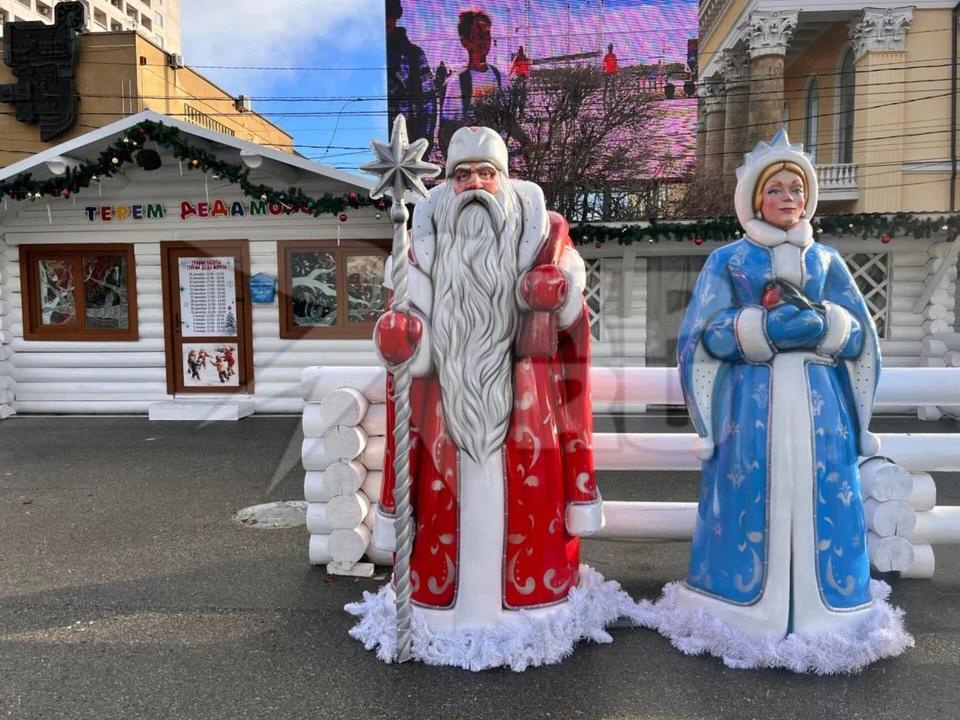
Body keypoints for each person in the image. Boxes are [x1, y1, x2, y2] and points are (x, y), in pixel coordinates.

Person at [349, 126, 619, 669]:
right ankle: (445, 609)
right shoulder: (418, 252)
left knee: (528, 508)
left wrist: (555, 296)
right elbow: (414, 357)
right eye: (462, 173)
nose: (475, 184)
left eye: (487, 173)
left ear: (505, 178)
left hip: (527, 418)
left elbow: (571, 328)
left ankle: (526, 609)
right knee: (445, 510)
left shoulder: (545, 238)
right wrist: (402, 340)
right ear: (446, 182)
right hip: (444, 417)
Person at [663, 130, 910, 666]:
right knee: (752, 487)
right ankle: (738, 602)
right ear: (755, 199)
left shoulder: (825, 261)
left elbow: (860, 333)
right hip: (752, 407)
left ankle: (828, 607)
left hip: (822, 410)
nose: (788, 198)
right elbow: (702, 333)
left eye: (796, 189)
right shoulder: (728, 261)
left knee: (821, 490)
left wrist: (826, 328)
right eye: (775, 189)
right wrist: (763, 329)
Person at [439, 10, 507, 150]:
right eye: (479, 35)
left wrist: (527, 143)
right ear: (465, 41)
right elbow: (446, 132)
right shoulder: (457, 83)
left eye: (487, 34)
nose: (485, 40)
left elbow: (508, 119)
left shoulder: (501, 78)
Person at [386, 0, 436, 151]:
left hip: (407, 144)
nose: (386, 19)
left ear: (398, 14)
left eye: (390, 12)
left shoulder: (414, 54)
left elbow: (429, 101)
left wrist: (424, 141)